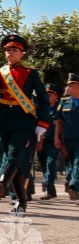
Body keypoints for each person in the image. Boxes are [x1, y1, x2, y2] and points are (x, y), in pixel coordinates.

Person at [0, 34, 50, 212]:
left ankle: (2, 182)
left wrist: (42, 122)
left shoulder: (30, 73)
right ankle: (20, 201)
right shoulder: (1, 72)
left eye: (14, 50)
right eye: (8, 50)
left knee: (13, 154)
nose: (10, 53)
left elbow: (43, 99)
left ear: (22, 53)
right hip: (3, 120)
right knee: (14, 162)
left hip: (23, 120)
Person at [56, 73, 79, 201]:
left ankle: (73, 187)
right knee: (70, 166)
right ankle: (74, 188)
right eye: (68, 85)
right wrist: (56, 138)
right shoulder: (64, 102)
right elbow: (59, 122)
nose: (68, 87)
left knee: (78, 164)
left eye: (71, 85)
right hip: (68, 139)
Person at [37, 84, 61, 199]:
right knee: (44, 167)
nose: (47, 96)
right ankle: (52, 190)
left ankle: (47, 189)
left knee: (50, 164)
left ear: (56, 96)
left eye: (50, 94)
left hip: (53, 142)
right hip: (42, 141)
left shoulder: (59, 109)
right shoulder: (42, 109)